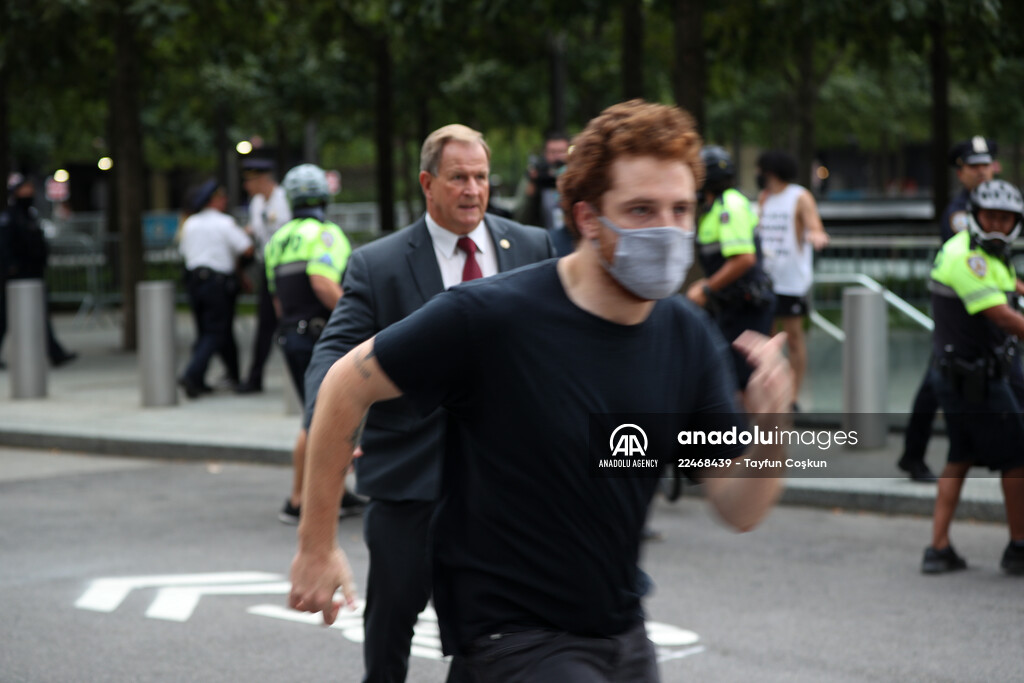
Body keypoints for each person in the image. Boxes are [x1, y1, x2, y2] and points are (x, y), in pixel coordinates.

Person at [290, 101, 791, 681]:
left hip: (622, 634)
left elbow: (737, 508)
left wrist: (772, 429)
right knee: (390, 629)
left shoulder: (686, 334)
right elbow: (344, 383)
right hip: (512, 641)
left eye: (680, 209)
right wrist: (317, 546)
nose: (666, 229)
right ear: (587, 218)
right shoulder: (492, 315)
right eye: (640, 209)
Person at [299, 123, 553, 683]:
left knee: (498, 629)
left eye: (481, 177)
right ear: (427, 183)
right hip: (411, 481)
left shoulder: (533, 247)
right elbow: (333, 359)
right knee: (392, 621)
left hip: (506, 484)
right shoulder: (379, 264)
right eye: (458, 177)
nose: (473, 190)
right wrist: (332, 427)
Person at [921, 178, 1024, 575]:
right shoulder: (968, 258)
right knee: (1017, 457)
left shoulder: (988, 253)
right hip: (973, 381)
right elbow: (1003, 317)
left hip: (962, 377)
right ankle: (1019, 547)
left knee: (960, 457)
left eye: (1005, 219)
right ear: (976, 216)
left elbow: (1007, 288)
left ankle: (938, 548)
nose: (997, 224)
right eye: (990, 217)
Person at [264, 164, 363, 525]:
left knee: (321, 413)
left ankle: (336, 491)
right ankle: (298, 501)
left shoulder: (278, 239)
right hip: (321, 337)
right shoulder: (325, 234)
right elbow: (322, 281)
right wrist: (357, 315)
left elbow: (277, 298)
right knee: (317, 418)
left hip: (291, 334)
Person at [898, 137, 997, 483]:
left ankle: (920, 454)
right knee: (935, 383)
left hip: (981, 305)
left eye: (986, 165)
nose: (982, 172)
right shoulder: (958, 213)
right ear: (961, 172)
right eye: (974, 167)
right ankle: (915, 455)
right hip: (959, 312)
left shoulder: (992, 205)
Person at [687, 145, 775, 389]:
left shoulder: (729, 206)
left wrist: (706, 288)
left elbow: (744, 258)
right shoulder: (715, 207)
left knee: (741, 380)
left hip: (745, 305)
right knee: (728, 376)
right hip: (731, 305)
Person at [756, 149, 829, 410]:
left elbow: (814, 225)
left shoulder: (799, 196)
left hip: (791, 281)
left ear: (771, 171)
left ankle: (793, 396)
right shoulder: (764, 197)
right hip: (767, 279)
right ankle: (771, 392)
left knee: (794, 338)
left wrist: (816, 235)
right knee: (768, 340)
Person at [177, 179, 253, 398]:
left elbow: (184, 252)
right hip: (217, 282)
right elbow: (247, 249)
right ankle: (192, 374)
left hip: (194, 280)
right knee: (216, 331)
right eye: (222, 197)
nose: (225, 201)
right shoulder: (224, 222)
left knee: (207, 331)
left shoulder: (190, 223)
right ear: (213, 200)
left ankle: (222, 376)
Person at [0, 173, 77, 367]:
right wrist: (11, 268)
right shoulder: (10, 217)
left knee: (40, 314)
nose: (29, 193)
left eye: (31, 189)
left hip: (33, 273)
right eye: (25, 189)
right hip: (15, 277)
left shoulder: (30, 215)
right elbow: (5, 246)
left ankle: (55, 353)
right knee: (4, 316)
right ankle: (55, 353)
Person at [237, 158, 292, 394]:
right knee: (265, 324)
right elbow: (256, 231)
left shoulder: (284, 199)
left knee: (289, 321)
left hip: (287, 268)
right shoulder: (257, 203)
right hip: (267, 268)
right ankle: (255, 377)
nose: (246, 186)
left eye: (249, 181)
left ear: (262, 180)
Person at [516, 130, 574, 256]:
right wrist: (532, 187)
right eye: (552, 152)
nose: (557, 157)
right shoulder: (537, 176)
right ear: (545, 154)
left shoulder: (577, 176)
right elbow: (520, 217)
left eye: (561, 152)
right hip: (542, 243)